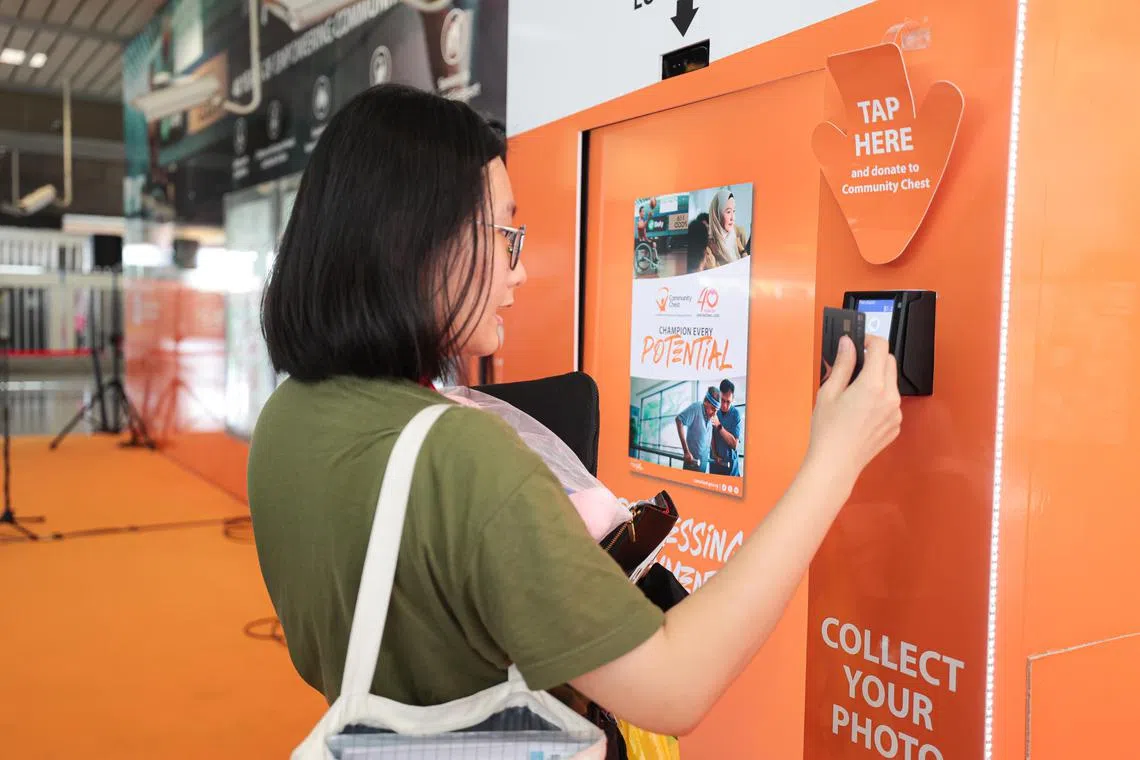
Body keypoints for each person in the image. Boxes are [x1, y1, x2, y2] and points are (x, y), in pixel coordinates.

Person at [247, 83, 902, 738]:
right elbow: (673, 688)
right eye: (504, 233)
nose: (521, 269)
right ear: (413, 241)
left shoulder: (286, 418)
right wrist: (833, 462)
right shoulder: (462, 455)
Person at [699, 189, 749, 271]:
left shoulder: (737, 237)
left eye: (734, 211)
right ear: (717, 214)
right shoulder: (708, 248)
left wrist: (742, 250)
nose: (733, 218)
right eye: (728, 212)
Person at [674, 386, 720, 473]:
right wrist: (686, 451)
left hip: (703, 466)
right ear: (706, 402)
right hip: (692, 465)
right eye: (713, 409)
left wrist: (714, 453)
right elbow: (679, 420)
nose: (714, 414)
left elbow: (709, 435)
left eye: (716, 410)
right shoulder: (696, 408)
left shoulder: (711, 416)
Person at [709, 379, 742, 477]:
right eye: (722, 400)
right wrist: (714, 454)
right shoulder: (714, 411)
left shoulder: (736, 414)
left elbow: (734, 445)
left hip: (731, 470)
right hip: (715, 466)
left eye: (728, 402)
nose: (724, 405)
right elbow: (711, 435)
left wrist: (719, 425)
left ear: (733, 398)